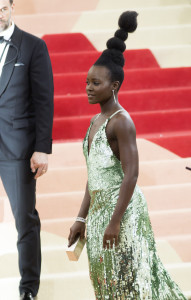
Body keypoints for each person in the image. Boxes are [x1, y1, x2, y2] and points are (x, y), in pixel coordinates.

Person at [68, 11, 187, 300]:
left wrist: (115, 221)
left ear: (114, 86)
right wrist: (81, 218)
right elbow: (94, 174)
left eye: (96, 83)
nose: (88, 88)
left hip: (123, 215)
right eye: (87, 82)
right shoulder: (94, 123)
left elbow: (131, 174)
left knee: (132, 284)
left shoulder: (122, 122)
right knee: (105, 285)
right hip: (98, 216)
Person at [0, 0, 53, 299]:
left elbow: (44, 100)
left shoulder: (33, 46)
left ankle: (29, 289)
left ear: (12, 7)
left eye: (2, 8)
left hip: (17, 148)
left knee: (24, 220)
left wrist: (42, 148)